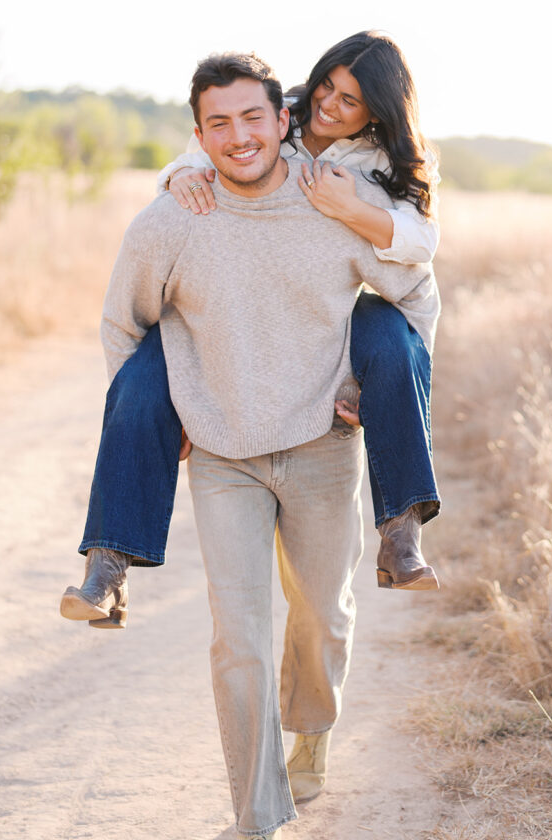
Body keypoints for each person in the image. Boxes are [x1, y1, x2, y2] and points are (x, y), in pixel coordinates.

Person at [83, 51, 440, 839]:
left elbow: (415, 293)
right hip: (223, 454)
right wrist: (155, 414)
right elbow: (123, 327)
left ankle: (312, 727)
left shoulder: (337, 198)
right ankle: (258, 815)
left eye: (254, 119)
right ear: (200, 134)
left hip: (320, 442)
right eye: (219, 124)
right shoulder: (176, 214)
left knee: (323, 615)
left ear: (283, 122)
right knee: (237, 639)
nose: (238, 137)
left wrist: (370, 383)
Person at [61, 31, 441, 633]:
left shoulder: (377, 164)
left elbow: (422, 256)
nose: (331, 106)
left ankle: (402, 527)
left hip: (343, 308)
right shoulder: (269, 118)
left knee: (396, 341)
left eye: (352, 101)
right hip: (228, 314)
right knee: (138, 382)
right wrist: (177, 178)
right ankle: (108, 562)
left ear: (378, 114)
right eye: (328, 87)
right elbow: (200, 150)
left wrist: (352, 213)